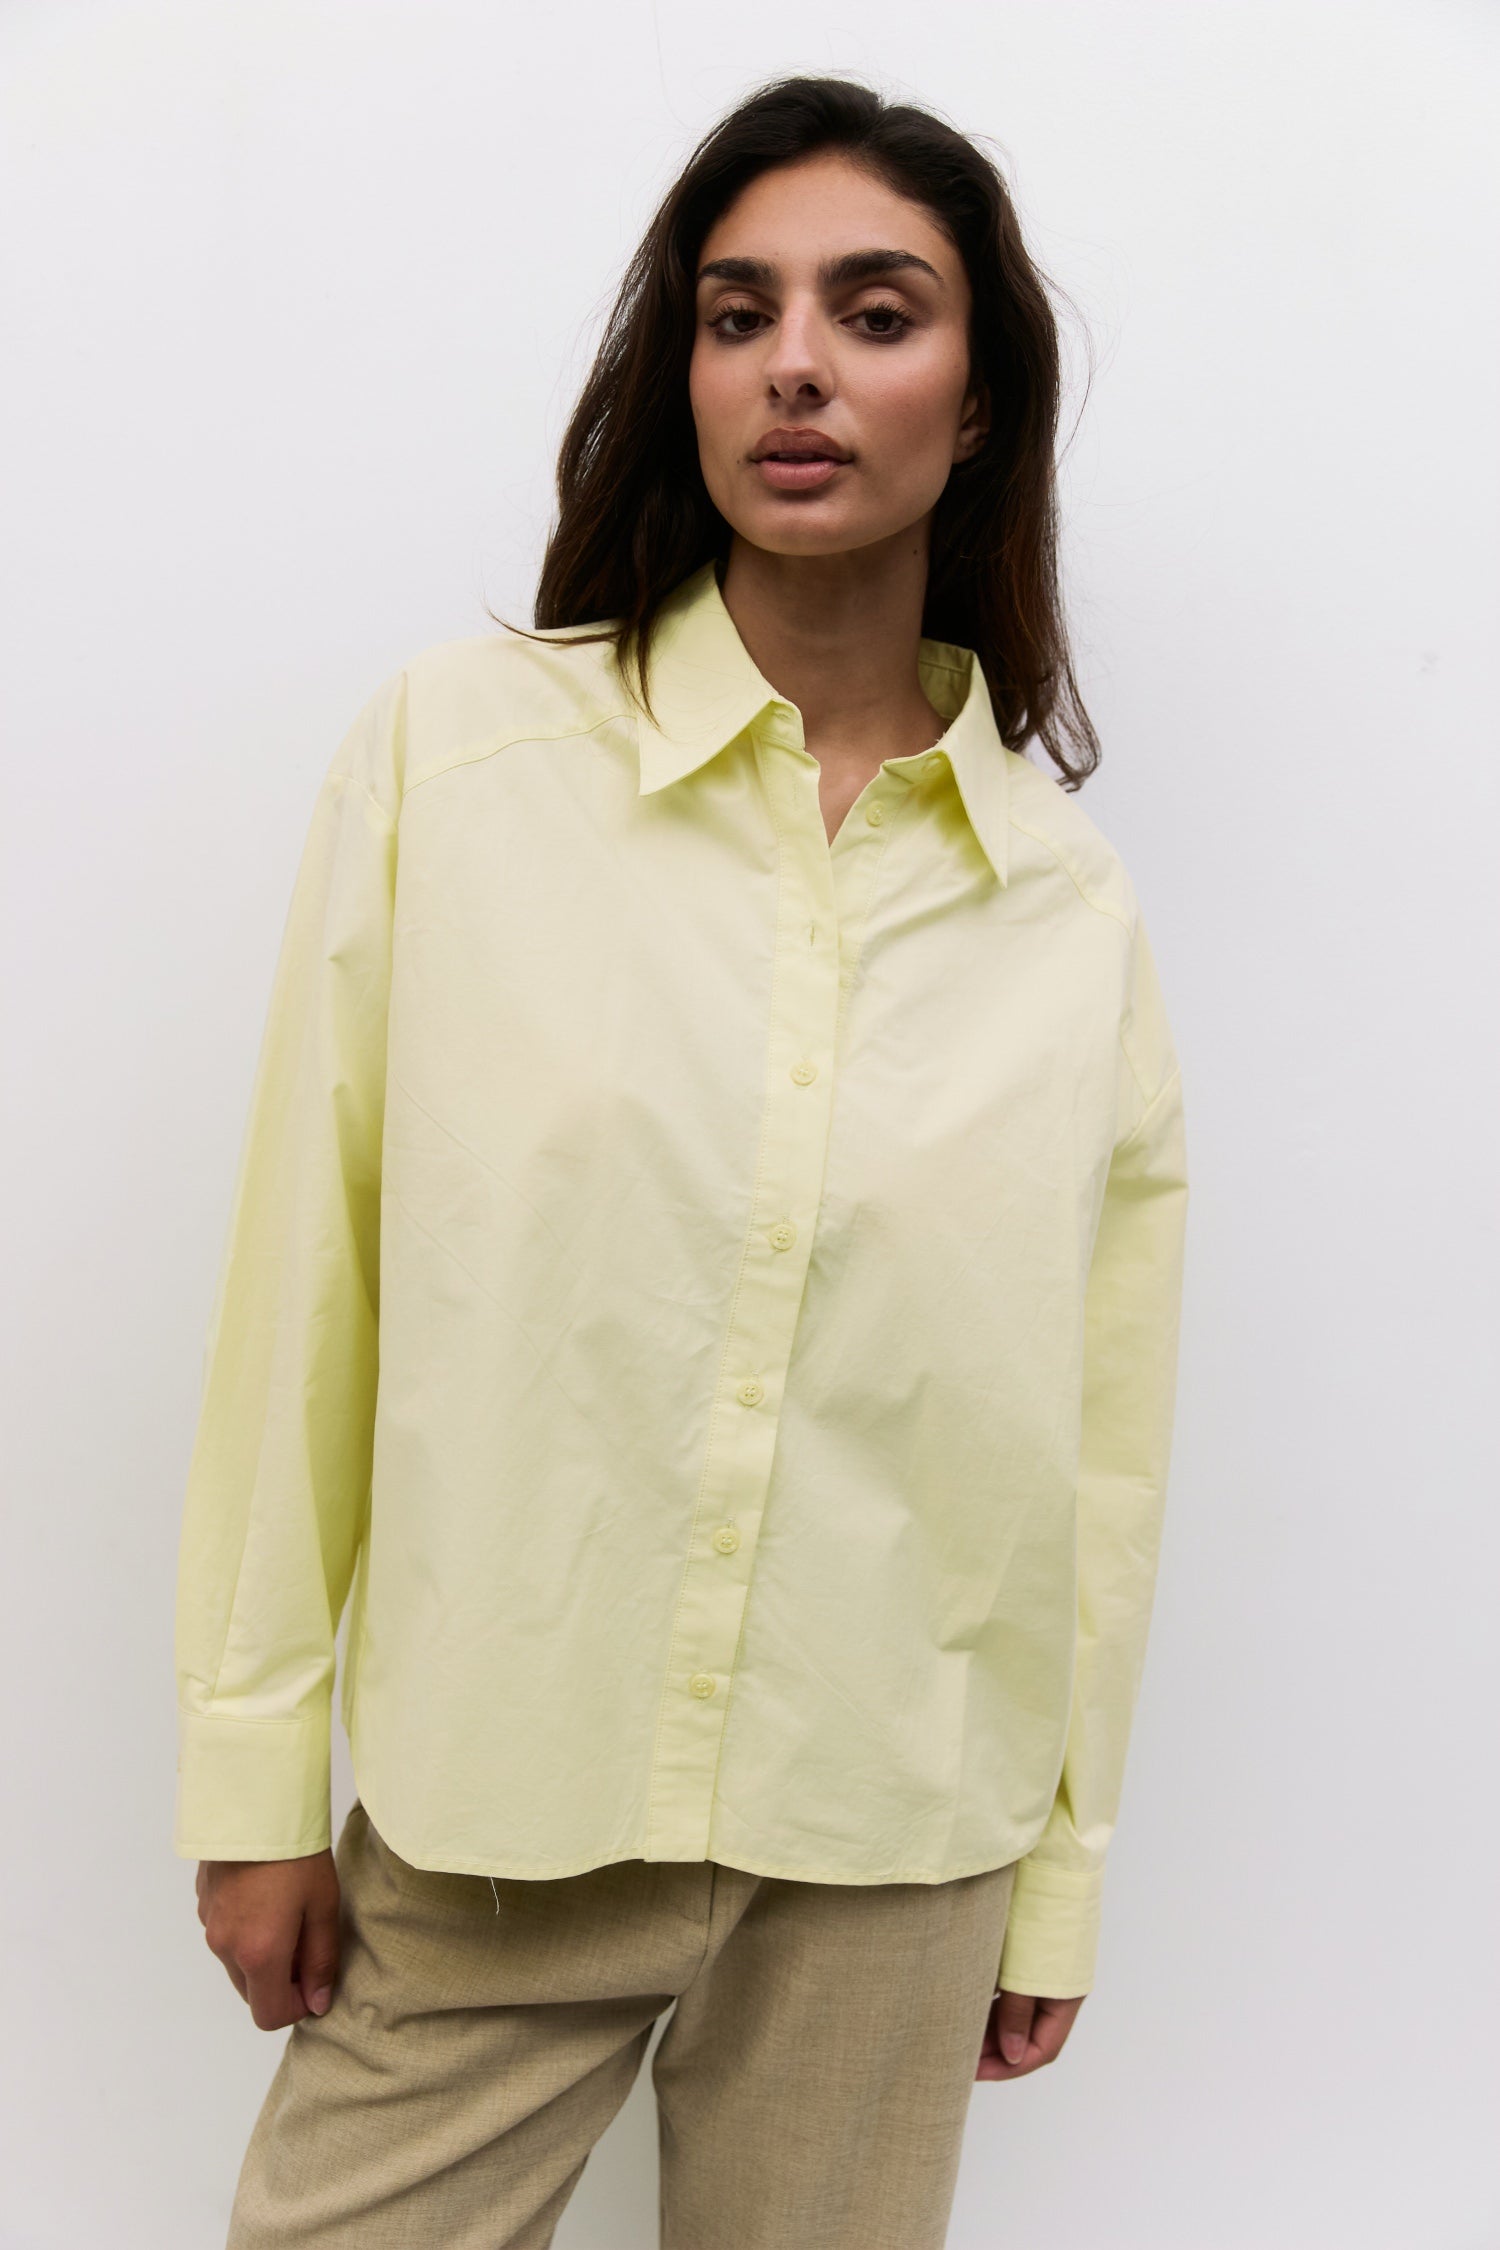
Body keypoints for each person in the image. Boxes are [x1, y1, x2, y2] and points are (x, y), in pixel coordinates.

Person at [176, 71, 1189, 2250]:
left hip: (891, 1843)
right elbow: (308, 1285)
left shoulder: (1062, 905)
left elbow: (1089, 1452)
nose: (795, 364)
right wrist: (255, 1772)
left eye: (874, 313)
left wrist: (1062, 1868)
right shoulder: (458, 763)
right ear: (690, 377)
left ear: (980, 403)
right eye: (741, 315)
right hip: (499, 1810)